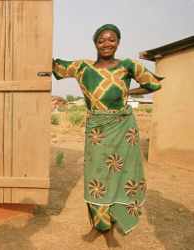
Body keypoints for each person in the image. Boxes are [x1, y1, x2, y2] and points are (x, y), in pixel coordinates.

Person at [52, 24, 163, 246]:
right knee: (97, 178)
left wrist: (128, 91)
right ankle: (99, 227)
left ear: (118, 42)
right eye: (101, 40)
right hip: (97, 132)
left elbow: (152, 84)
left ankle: (111, 227)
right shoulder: (83, 67)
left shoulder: (128, 65)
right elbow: (55, 66)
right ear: (95, 43)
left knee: (120, 177)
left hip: (124, 129)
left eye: (111, 40)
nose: (106, 44)